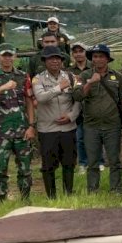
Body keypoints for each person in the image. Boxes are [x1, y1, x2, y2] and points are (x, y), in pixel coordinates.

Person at [0, 43, 36, 202]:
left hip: (22, 131)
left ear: (15, 56)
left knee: (25, 169)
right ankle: (2, 200)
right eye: (4, 55)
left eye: (10, 55)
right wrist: (2, 88)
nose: (7, 58)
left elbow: (29, 100)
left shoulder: (23, 76)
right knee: (0, 170)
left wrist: (31, 125)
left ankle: (25, 199)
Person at [72, 43, 122, 193]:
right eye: (95, 57)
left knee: (115, 160)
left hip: (113, 125)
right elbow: (77, 96)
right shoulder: (83, 76)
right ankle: (93, 190)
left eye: (101, 56)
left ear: (107, 59)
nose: (98, 59)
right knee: (92, 162)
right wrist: (90, 83)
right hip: (91, 126)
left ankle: (116, 189)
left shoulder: (117, 77)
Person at [32, 46, 80, 199]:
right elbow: (40, 97)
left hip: (68, 128)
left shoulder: (71, 77)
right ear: (45, 61)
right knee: (48, 166)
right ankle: (51, 196)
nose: (55, 61)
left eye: (57, 58)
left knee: (69, 163)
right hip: (47, 129)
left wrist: (71, 116)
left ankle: (68, 193)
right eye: (51, 58)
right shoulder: (38, 79)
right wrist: (59, 87)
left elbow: (78, 100)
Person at [67, 42, 104, 173]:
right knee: (80, 137)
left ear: (85, 53)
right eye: (75, 52)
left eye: (81, 51)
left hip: (93, 105)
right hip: (78, 107)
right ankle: (83, 163)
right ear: (72, 55)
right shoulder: (69, 71)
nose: (78, 54)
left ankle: (99, 161)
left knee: (97, 136)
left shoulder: (94, 67)